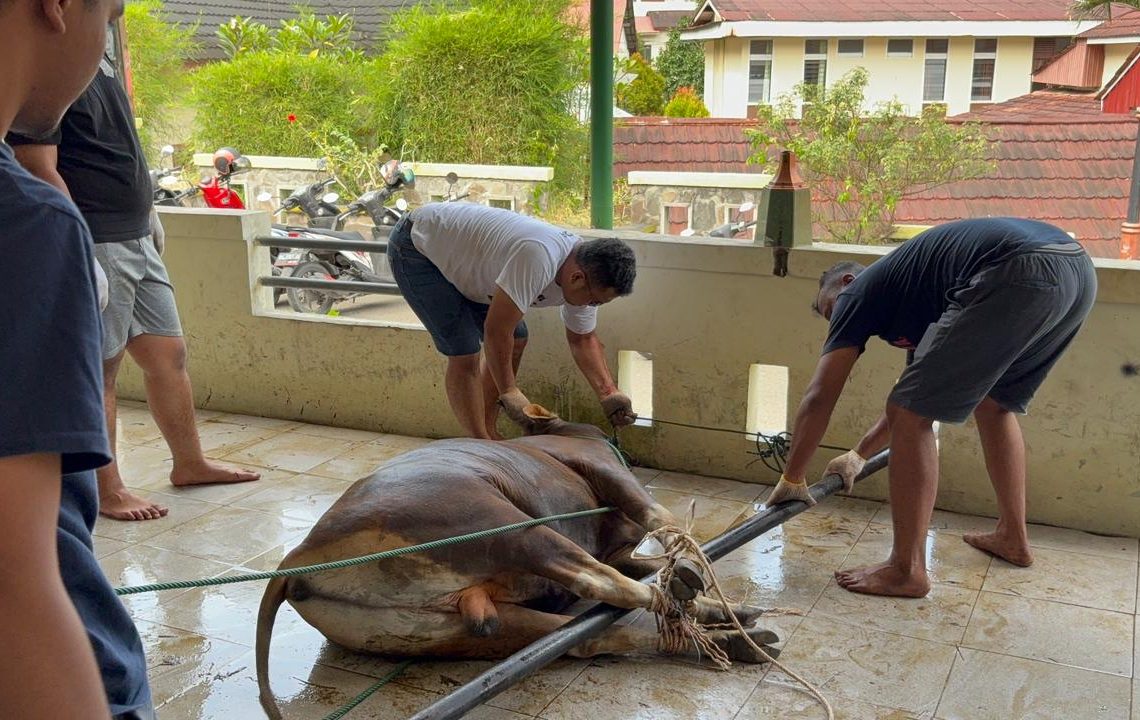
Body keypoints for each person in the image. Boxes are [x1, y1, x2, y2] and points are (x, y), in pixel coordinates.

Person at [766, 218, 1097, 598]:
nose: (840, 324)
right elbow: (911, 398)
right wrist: (858, 455)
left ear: (847, 282)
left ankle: (906, 570)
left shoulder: (858, 291)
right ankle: (1013, 537)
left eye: (834, 312)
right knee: (994, 405)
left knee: (914, 413)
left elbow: (820, 397)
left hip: (1019, 270)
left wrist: (792, 478)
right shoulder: (917, 294)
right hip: (1076, 274)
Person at [7, 35, 260, 522]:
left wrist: (147, 210)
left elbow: (120, 146)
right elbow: (37, 166)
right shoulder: (49, 70)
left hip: (137, 233)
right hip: (98, 238)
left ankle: (189, 463)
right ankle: (109, 490)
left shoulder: (99, 59)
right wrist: (77, 245)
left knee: (169, 354)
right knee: (102, 371)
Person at [0, 0, 155, 717]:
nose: (104, 46)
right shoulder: (24, 221)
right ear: (59, 7)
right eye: (111, 15)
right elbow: (11, 581)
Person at [388, 202, 638, 439]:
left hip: (470, 265)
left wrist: (608, 392)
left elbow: (582, 339)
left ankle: (488, 430)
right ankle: (479, 444)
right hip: (419, 247)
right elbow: (497, 331)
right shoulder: (538, 256)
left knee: (517, 338)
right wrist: (509, 390)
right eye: (594, 301)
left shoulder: (585, 270)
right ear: (576, 278)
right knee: (464, 350)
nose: (591, 307)